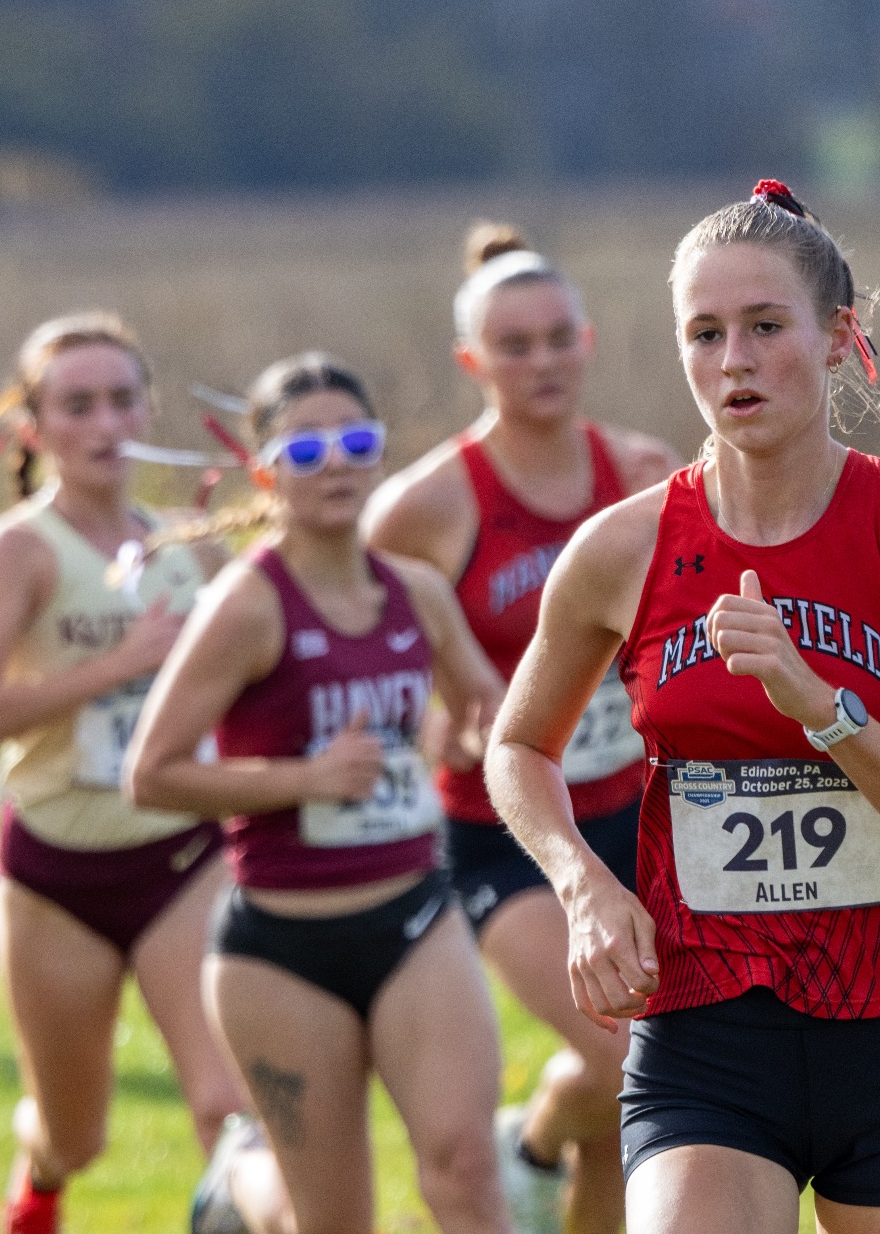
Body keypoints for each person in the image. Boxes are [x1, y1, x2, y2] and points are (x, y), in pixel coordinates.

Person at [486, 181, 880, 1234]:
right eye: (705, 333)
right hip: (705, 1031)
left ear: (837, 337)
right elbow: (517, 746)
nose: (734, 361)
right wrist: (583, 887)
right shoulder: (623, 548)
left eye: (766, 326)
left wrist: (826, 712)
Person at [124, 352, 513, 1234]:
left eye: (356, 442)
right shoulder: (247, 604)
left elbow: (487, 714)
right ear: (265, 472)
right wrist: (306, 779)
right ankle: (242, 1180)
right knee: (331, 1221)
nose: (335, 463)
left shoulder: (417, 592)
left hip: (416, 916)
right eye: (305, 450)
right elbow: (151, 772)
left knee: (466, 1168)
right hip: (281, 945)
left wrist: (467, 738)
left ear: (380, 455)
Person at [365, 222, 676, 1234]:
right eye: (514, 345)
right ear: (472, 360)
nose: (541, 362)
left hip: (642, 813)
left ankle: (540, 1145)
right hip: (507, 836)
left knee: (641, 1089)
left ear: (588, 340)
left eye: (557, 339)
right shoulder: (426, 505)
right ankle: (537, 1137)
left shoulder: (645, 472)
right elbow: (355, 650)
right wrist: (431, 724)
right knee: (630, 1056)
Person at [0, 312, 246, 1234]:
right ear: (33, 428)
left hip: (184, 855)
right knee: (74, 1135)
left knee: (228, 1106)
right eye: (79, 406)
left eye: (122, 399)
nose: (107, 424)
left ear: (149, 409)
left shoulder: (194, 543)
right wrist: (119, 665)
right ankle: (37, 1180)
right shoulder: (21, 549)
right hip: (57, 869)